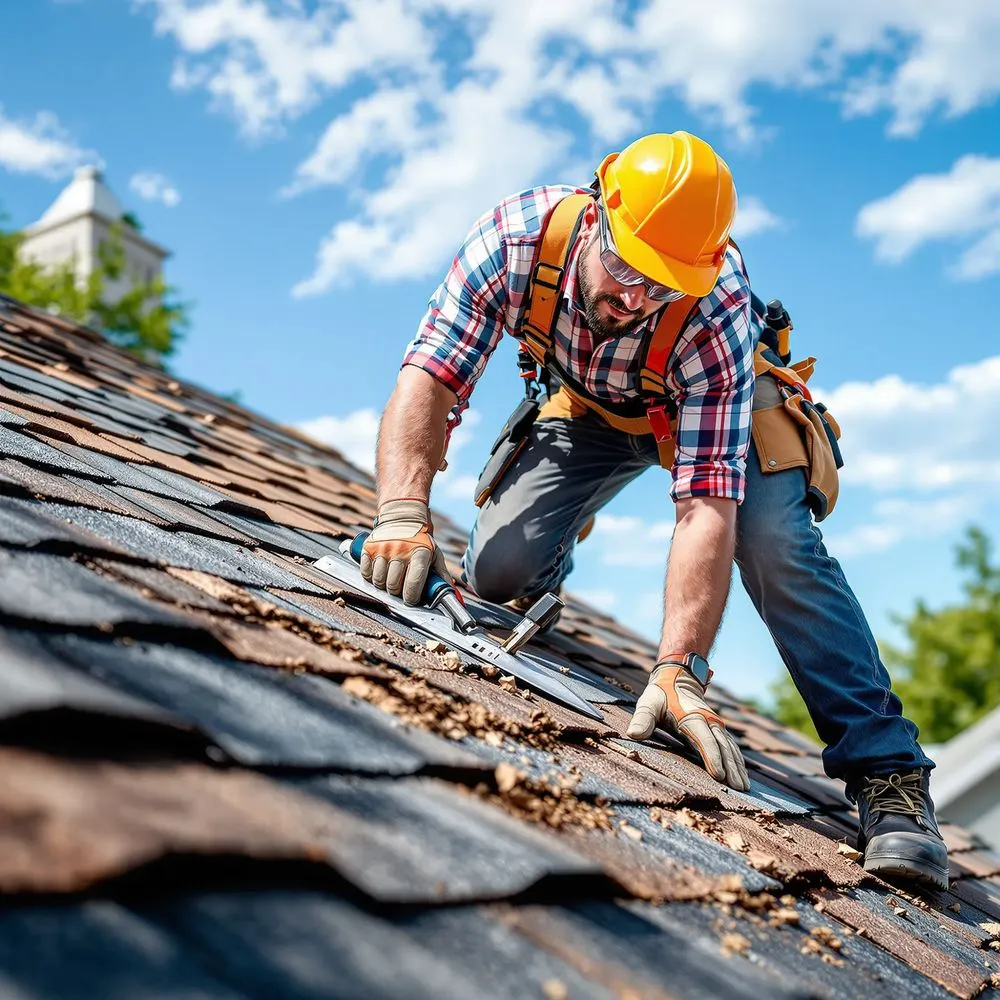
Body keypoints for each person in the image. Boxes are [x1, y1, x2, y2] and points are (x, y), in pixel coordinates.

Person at [360, 131, 949, 890]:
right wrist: (402, 512)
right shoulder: (514, 239)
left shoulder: (717, 309)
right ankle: (543, 559)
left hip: (712, 412)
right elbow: (431, 374)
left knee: (772, 538)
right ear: (598, 212)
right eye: (626, 269)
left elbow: (706, 502)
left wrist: (680, 670)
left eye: (662, 286)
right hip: (592, 408)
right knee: (496, 570)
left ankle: (888, 777)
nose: (635, 299)